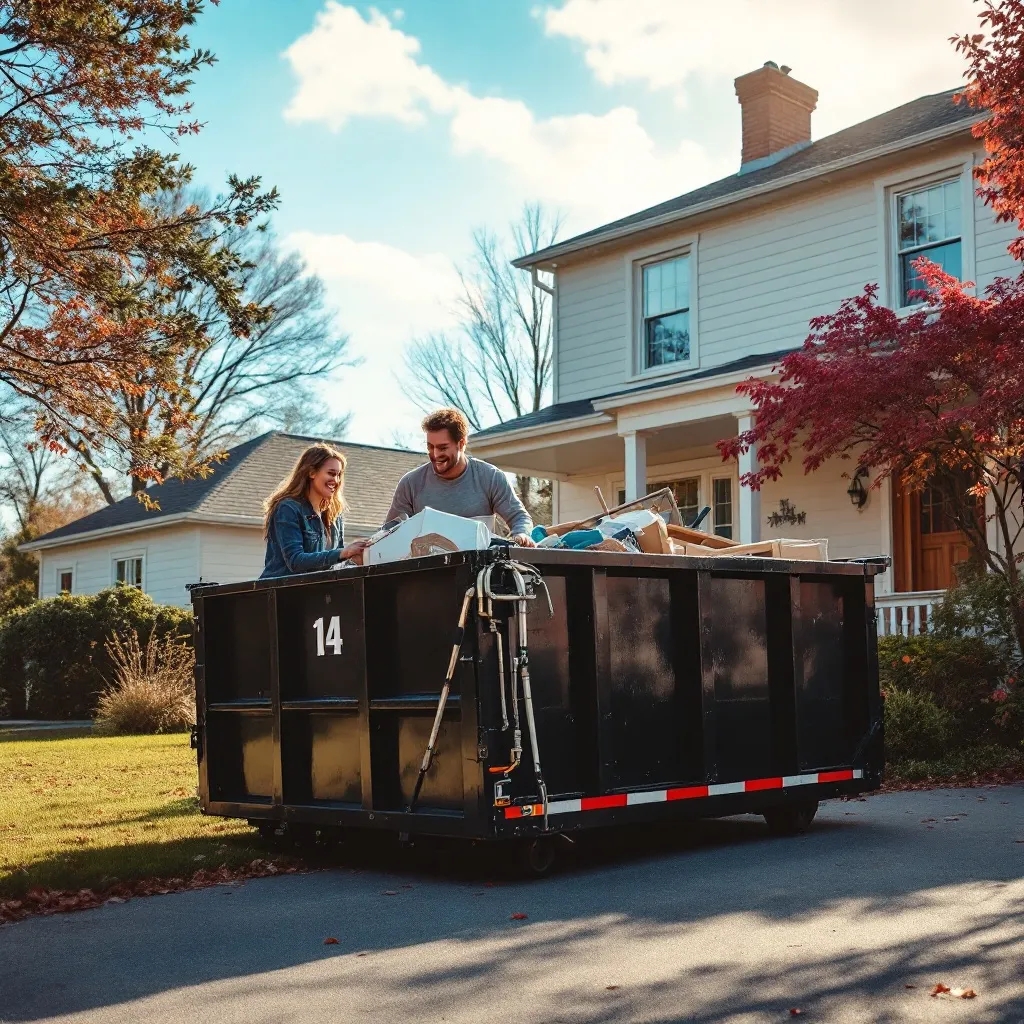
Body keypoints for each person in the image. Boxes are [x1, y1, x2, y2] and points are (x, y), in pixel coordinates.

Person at [386, 408, 536, 545]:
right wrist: (367, 548)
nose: (436, 454)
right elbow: (388, 533)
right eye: (430, 447)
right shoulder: (411, 484)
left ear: (462, 443)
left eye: (443, 447)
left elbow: (519, 517)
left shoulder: (490, 477)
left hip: (479, 569)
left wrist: (521, 534)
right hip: (428, 570)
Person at [261, 444, 370, 578]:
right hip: (280, 594)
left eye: (339, 475)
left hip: (317, 592)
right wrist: (343, 553)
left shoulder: (335, 514)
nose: (336, 480)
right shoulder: (288, 508)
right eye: (331, 473)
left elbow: (334, 566)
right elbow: (295, 561)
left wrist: (355, 558)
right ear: (311, 472)